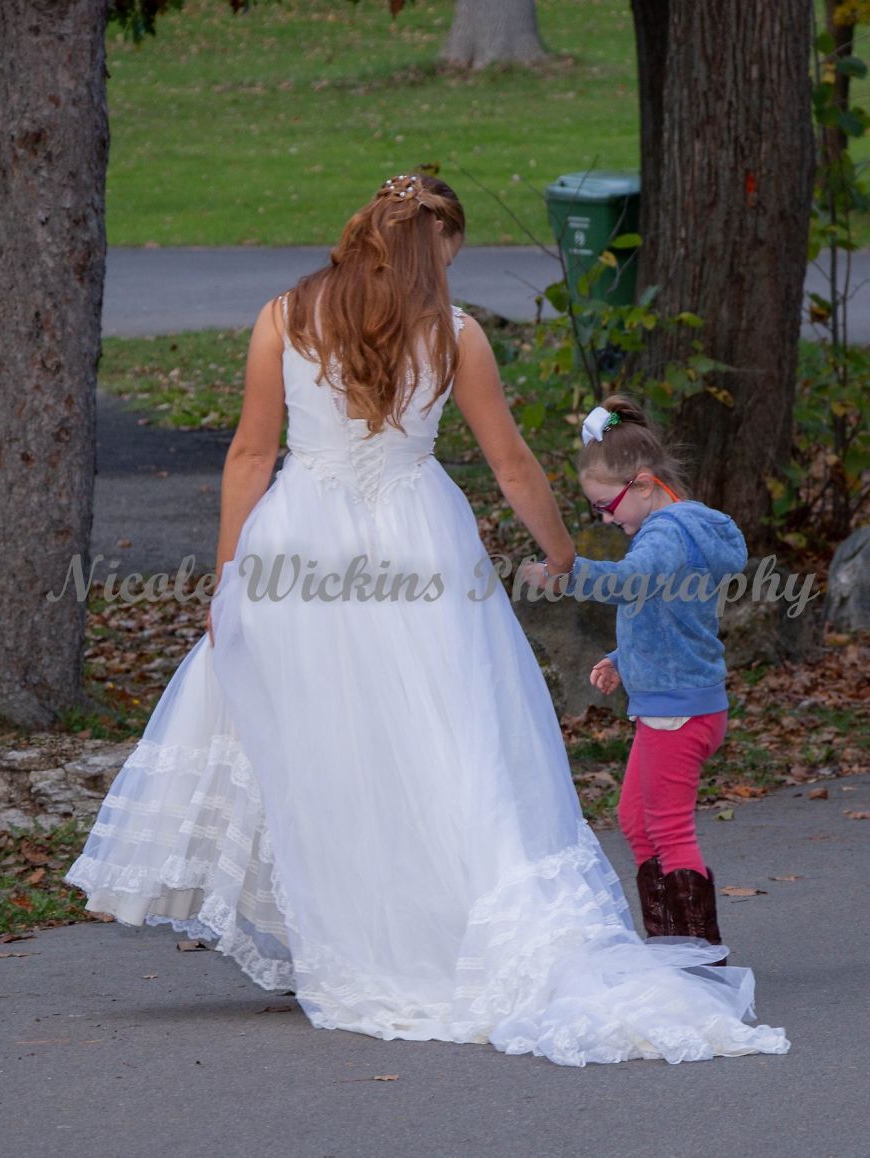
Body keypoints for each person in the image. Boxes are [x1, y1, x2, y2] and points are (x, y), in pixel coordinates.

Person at [65, 175, 788, 1066]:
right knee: (443, 733)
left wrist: (227, 579)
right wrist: (561, 552)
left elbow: (250, 454)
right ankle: (423, 924)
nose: (448, 271)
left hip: (300, 545)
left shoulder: (284, 317)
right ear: (430, 245)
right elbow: (510, 461)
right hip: (419, 544)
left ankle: (366, 932)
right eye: (449, 254)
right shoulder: (454, 334)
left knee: (326, 739)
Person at [542, 396, 746, 962]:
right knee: (636, 819)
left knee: (668, 826)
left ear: (645, 483)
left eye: (606, 506)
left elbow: (630, 584)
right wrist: (621, 656)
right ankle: (671, 942)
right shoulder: (679, 532)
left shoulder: (664, 535)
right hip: (675, 701)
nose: (607, 519)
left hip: (678, 709)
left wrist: (567, 572)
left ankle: (700, 957)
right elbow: (667, 617)